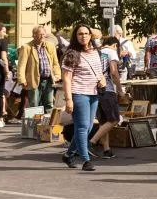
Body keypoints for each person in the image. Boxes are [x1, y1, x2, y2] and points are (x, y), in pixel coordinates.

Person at [60, 25, 104, 171]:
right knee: (83, 127)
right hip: (78, 93)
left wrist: (102, 80)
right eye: (80, 34)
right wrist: (68, 99)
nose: (83, 36)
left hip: (93, 93)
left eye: (86, 33)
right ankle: (86, 160)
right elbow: (66, 79)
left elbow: (99, 72)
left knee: (88, 127)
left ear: (90, 36)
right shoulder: (71, 54)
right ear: (75, 36)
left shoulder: (95, 52)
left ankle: (68, 155)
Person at [89, 36, 122, 159]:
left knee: (104, 121)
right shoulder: (111, 52)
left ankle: (107, 149)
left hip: (95, 89)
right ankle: (92, 142)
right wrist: (119, 89)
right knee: (114, 119)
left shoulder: (95, 52)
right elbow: (113, 72)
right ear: (115, 45)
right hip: (107, 89)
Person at [17, 25, 60, 113]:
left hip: (48, 80)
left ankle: (47, 126)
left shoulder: (50, 46)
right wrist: (22, 79)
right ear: (34, 35)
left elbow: (55, 63)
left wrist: (57, 75)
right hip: (33, 79)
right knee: (34, 104)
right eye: (40, 34)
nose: (42, 36)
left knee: (49, 104)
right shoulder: (26, 47)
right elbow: (21, 65)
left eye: (44, 34)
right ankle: (34, 126)